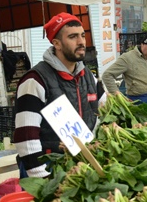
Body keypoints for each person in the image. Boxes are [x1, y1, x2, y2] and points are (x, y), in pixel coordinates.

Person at [14, 12, 98, 178]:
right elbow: (25, 136)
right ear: (57, 44)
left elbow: (103, 110)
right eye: (73, 37)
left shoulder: (87, 76)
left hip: (77, 164)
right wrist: (41, 177)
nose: (81, 42)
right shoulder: (35, 80)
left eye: (82, 35)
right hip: (46, 165)